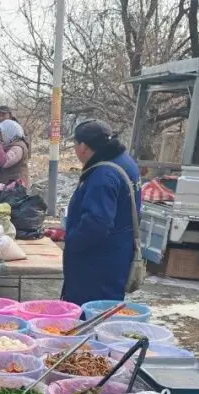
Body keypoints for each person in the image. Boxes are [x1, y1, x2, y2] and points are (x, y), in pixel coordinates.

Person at [62, 119, 142, 305]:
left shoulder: (103, 175)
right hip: (118, 254)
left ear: (83, 147)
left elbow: (96, 224)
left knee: (90, 313)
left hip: (97, 264)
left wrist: (72, 241)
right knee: (106, 308)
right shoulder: (125, 161)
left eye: (75, 144)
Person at [0, 119, 31, 187]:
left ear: (9, 132)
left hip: (17, 187)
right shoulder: (8, 145)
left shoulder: (18, 147)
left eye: (1, 134)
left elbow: (4, 162)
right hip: (7, 186)